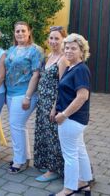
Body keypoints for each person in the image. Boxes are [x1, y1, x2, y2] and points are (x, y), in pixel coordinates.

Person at [50, 33, 92, 196]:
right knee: (79, 150)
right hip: (75, 119)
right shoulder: (71, 67)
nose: (68, 51)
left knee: (70, 155)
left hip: (72, 119)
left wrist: (64, 114)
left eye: (73, 48)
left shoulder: (81, 69)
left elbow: (82, 96)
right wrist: (55, 108)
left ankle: (69, 188)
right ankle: (83, 183)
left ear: (82, 51)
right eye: (66, 48)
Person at [5, 21, 43, 174]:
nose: (20, 33)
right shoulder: (12, 49)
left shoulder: (35, 50)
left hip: (25, 94)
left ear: (29, 32)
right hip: (10, 94)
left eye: (23, 31)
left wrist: (27, 97)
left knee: (15, 126)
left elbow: (36, 74)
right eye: (17, 31)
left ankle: (19, 161)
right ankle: (24, 157)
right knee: (19, 126)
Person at [34, 26, 68, 182]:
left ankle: (54, 170)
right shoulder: (48, 56)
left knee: (53, 137)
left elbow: (63, 86)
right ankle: (47, 164)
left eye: (57, 38)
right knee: (45, 135)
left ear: (63, 41)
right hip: (42, 103)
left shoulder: (63, 59)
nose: (53, 41)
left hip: (53, 104)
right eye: (51, 38)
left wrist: (55, 108)